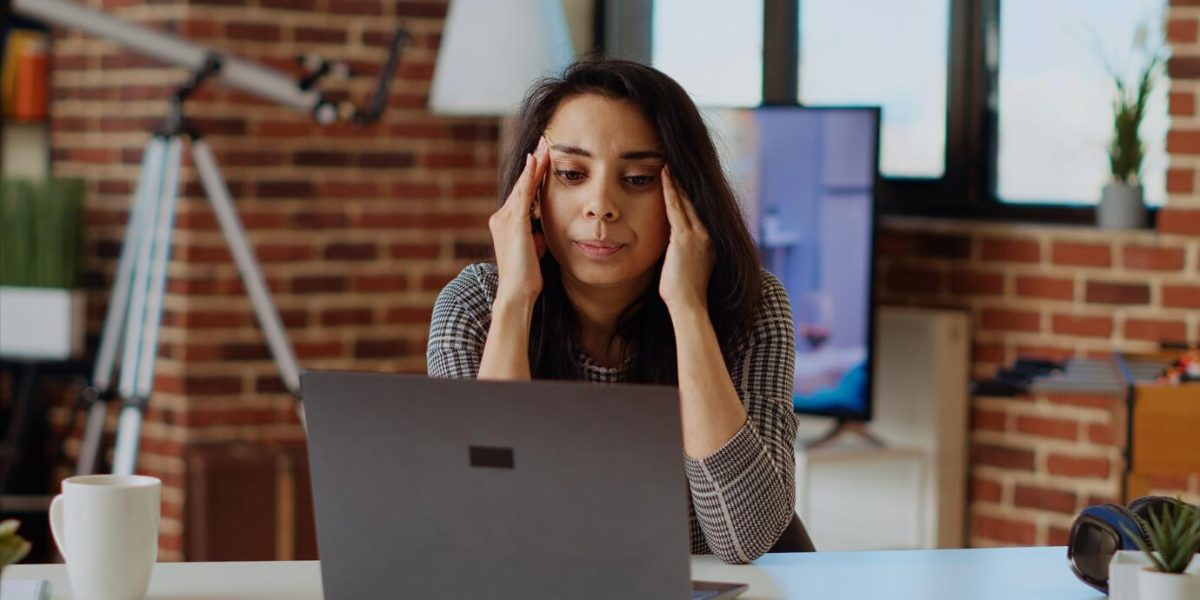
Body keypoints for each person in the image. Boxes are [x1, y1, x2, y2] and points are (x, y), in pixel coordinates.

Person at [426, 57, 798, 564]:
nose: (600, 205)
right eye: (571, 173)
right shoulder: (474, 306)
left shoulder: (751, 306)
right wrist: (514, 299)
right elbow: (485, 521)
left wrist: (689, 310)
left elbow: (745, 538)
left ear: (688, 194)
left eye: (639, 178)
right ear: (532, 192)